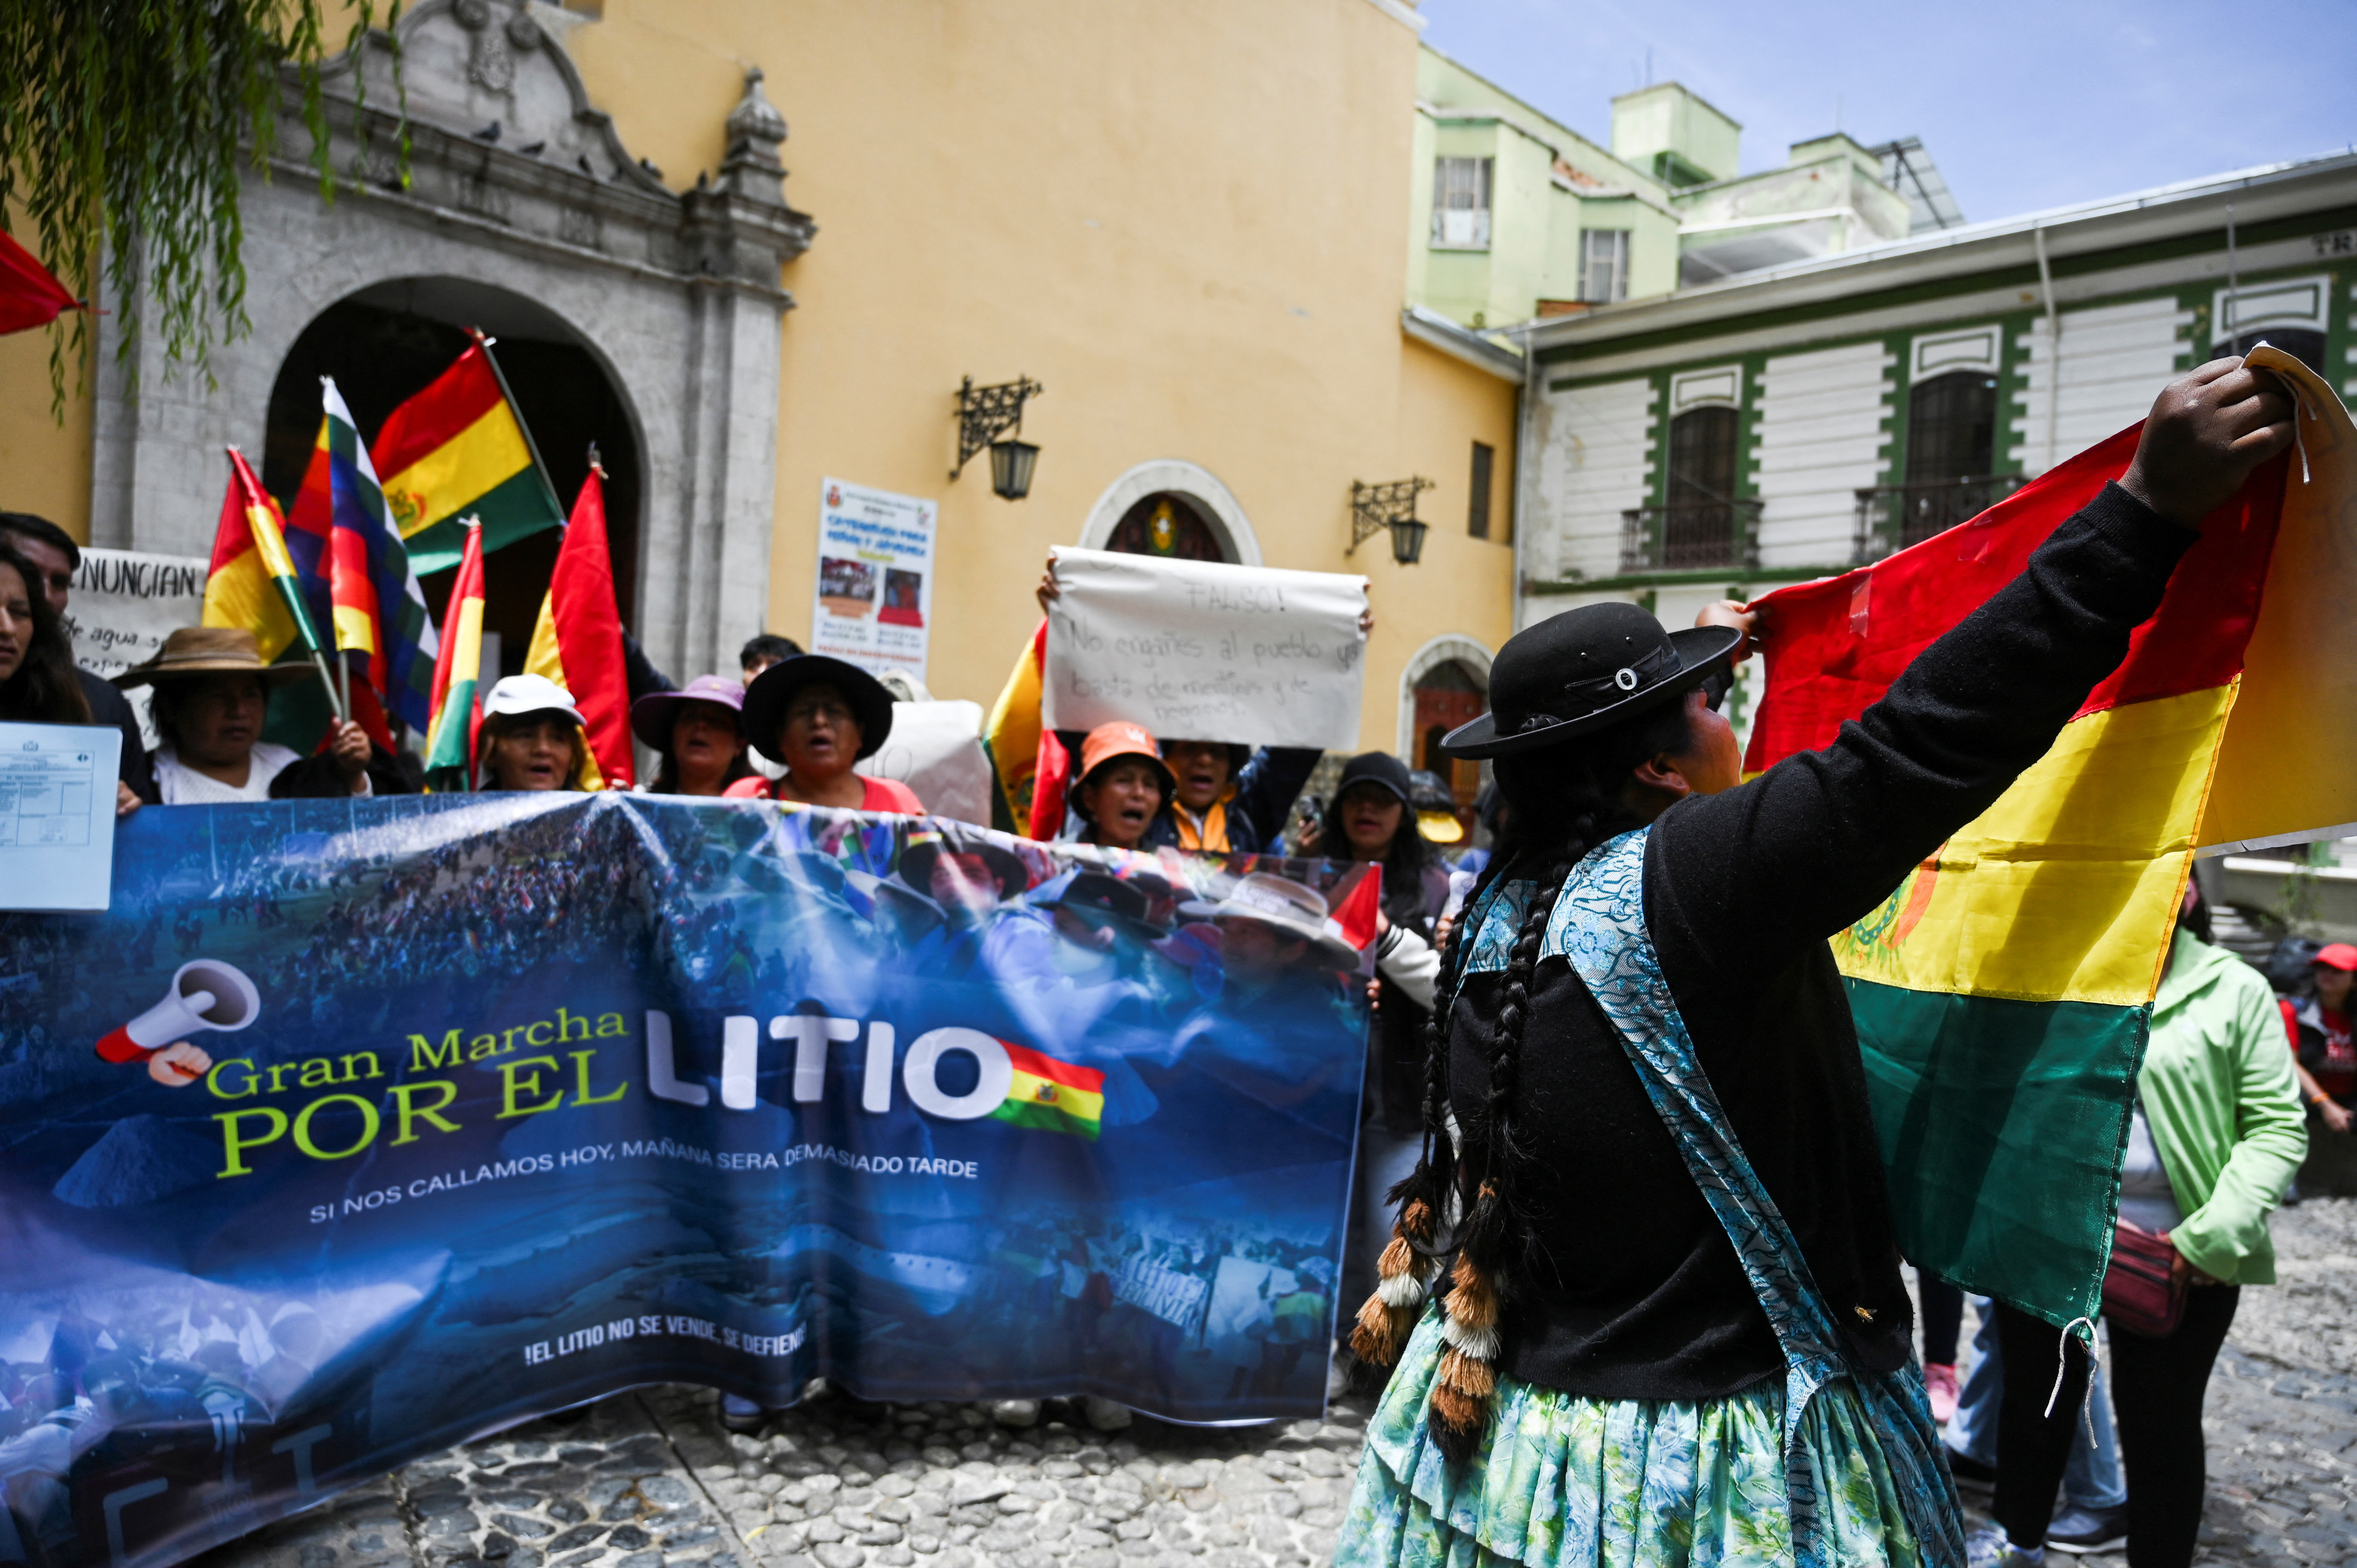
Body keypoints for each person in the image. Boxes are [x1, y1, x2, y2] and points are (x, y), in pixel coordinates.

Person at [1334, 358, 2294, 1568]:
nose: (1730, 717)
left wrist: (1729, 664)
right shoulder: (1691, 886)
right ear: (1659, 770)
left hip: (1528, 1452)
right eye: (1705, 705)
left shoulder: (1501, 915)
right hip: (1717, 1470)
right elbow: (1921, 745)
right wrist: (2143, 515)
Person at [1984, 883, 2306, 1568]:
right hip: (2050, 1238)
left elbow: (2276, 1127)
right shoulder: (2052, 967)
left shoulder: (2234, 987)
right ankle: (2019, 1540)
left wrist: (2207, 1241)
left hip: (2177, 1252)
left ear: (2189, 889)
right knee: (2035, 1402)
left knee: (2161, 1425)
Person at [1319, 756, 1452, 1340]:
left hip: (1400, 1100)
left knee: (1389, 1237)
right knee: (1327, 1233)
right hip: (1318, 1094)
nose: (1367, 810)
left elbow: (1447, 990)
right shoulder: (1312, 878)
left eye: (1382, 799)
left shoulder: (1438, 886)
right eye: (1355, 798)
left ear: (1404, 812)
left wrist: (1388, 947)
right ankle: (1337, 1349)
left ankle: (1389, 1352)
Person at [116, 629, 390, 804]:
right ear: (171, 707)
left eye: (250, 695)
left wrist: (353, 775)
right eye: (216, 697)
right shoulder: (148, 784)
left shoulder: (289, 769)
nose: (239, 711)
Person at [0, 512, 150, 798]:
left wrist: (124, 808)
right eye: (29, 575)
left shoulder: (101, 704)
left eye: (59, 583)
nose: (43, 595)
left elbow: (143, 827)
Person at [725, 654, 923, 813]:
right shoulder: (747, 797)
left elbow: (927, 860)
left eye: (835, 711)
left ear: (860, 733)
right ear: (780, 735)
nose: (819, 721)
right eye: (803, 712)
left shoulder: (896, 801)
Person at [2280, 943, 2356, 1195]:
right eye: (2322, 968)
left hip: (2348, 1092)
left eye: (2337, 971)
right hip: (2308, 1092)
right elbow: (2290, 1062)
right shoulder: (2294, 1010)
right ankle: (2283, 1178)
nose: (2327, 975)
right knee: (2287, 1101)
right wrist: (2326, 1104)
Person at [1060, 722, 1176, 853]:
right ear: (1090, 797)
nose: (1139, 793)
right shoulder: (1055, 866)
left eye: (1149, 784)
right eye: (1124, 781)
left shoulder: (1174, 869)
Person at [632, 675, 756, 796]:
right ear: (673, 734)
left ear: (739, 744)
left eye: (716, 721)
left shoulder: (760, 809)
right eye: (691, 717)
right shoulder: (639, 803)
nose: (701, 725)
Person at [476, 675, 594, 792]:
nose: (544, 749)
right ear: (489, 750)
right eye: (525, 735)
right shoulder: (465, 811)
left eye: (557, 738)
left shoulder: (599, 810)